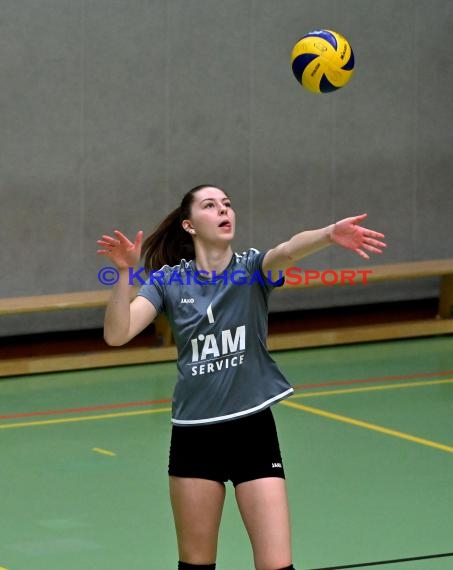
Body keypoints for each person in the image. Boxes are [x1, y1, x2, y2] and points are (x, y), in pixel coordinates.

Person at [97, 184, 386, 570]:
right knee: (196, 565)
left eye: (228, 204)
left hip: (252, 431)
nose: (224, 210)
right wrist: (123, 275)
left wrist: (329, 233)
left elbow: (288, 249)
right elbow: (117, 334)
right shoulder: (167, 282)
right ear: (189, 225)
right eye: (210, 205)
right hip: (195, 434)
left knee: (277, 566)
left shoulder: (251, 270)